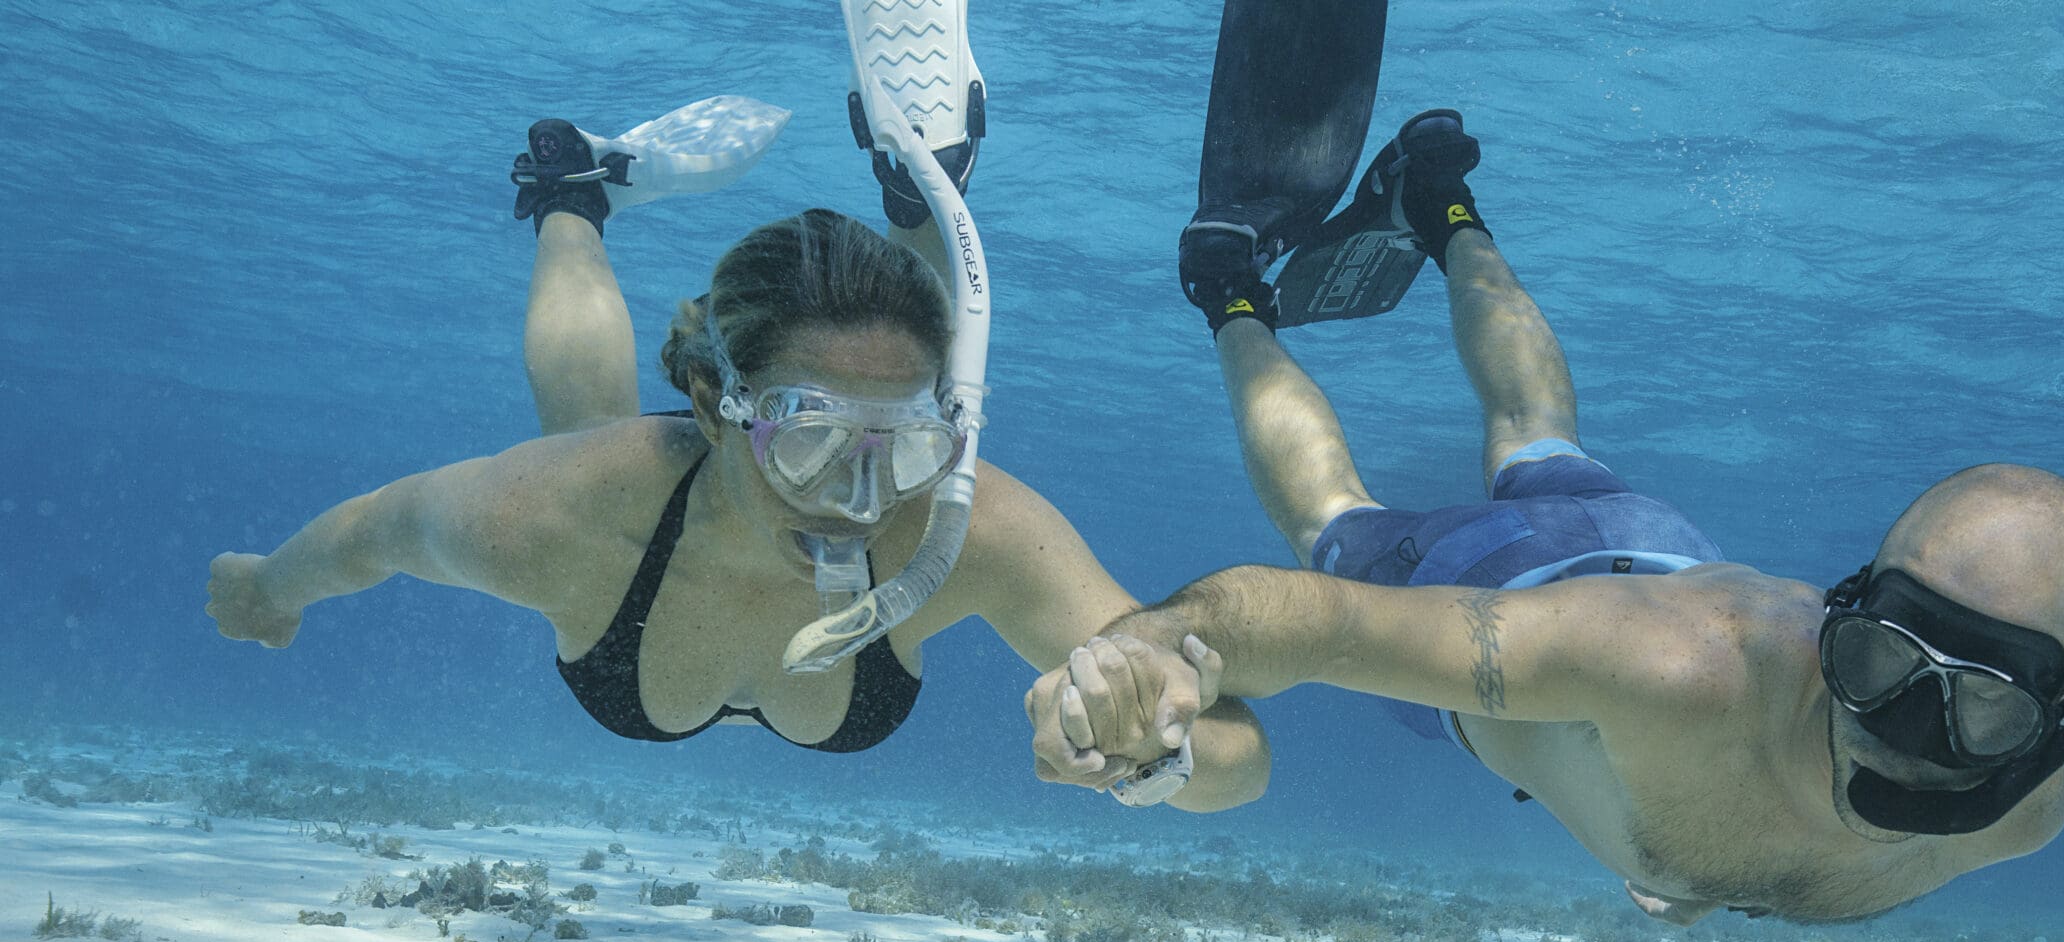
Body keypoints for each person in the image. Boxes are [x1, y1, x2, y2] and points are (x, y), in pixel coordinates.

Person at [1027, 95, 2064, 920]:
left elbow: (1753, 835)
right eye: (1875, 663)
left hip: (1658, 550)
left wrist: (1681, 876)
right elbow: (1315, 621)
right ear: (1836, 621)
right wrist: (1162, 652)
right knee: (1330, 520)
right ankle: (1229, 291)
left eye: (1983, 711)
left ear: (2061, 724)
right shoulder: (1667, 676)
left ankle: (1442, 202)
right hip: (1529, 592)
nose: (1901, 732)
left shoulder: (2028, 812)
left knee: (1537, 434)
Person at [206, 66, 1268, 812]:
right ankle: (569, 196)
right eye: (809, 440)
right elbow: (370, 536)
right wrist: (267, 585)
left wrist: (1154, 753)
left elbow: (1241, 759)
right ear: (715, 400)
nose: (857, 500)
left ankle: (912, 196)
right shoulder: (554, 513)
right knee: (586, 432)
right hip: (637, 490)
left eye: (898, 445)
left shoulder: (970, 528)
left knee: (862, 370)